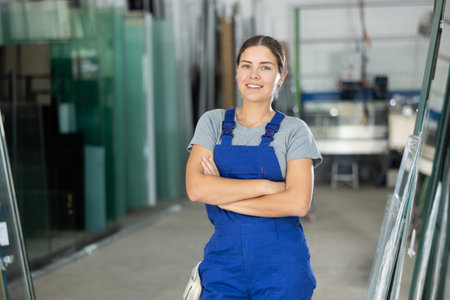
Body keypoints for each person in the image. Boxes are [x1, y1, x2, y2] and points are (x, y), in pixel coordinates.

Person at [186, 35, 322, 299]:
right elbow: (195, 188)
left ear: (280, 77)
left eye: (265, 67)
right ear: (237, 71)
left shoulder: (294, 131)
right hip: (222, 267)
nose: (254, 75)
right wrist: (267, 187)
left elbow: (297, 204)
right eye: (246, 65)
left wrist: (223, 197)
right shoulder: (212, 123)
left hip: (282, 268)